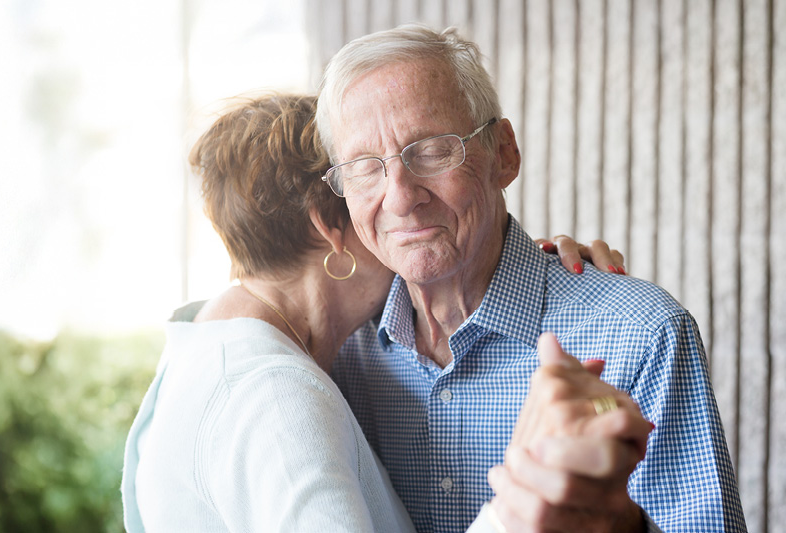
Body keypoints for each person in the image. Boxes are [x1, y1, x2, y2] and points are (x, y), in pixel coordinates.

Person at [120, 93, 621, 532]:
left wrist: (522, 264)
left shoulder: (207, 343)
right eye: (368, 179)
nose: (401, 209)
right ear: (330, 226)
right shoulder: (275, 397)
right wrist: (519, 511)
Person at [316, 23, 746, 532]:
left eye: (432, 150)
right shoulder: (340, 351)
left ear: (503, 153)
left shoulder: (641, 333)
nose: (401, 196)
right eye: (366, 167)